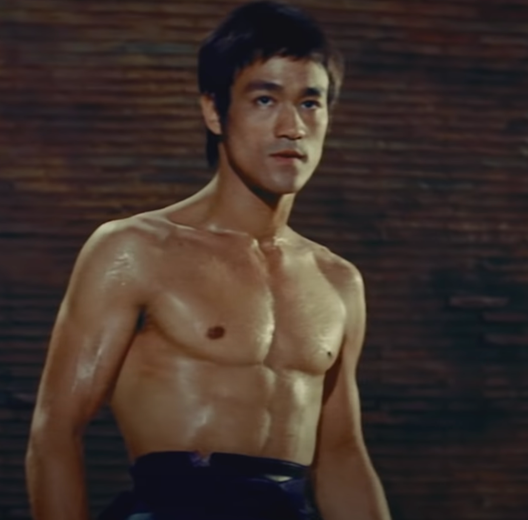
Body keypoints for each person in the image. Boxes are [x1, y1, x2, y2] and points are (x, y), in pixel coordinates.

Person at [26, 2, 392, 519]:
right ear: (214, 111)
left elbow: (341, 455)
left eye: (310, 103)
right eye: (265, 99)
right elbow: (55, 432)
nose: (292, 126)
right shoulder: (136, 249)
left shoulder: (337, 280)